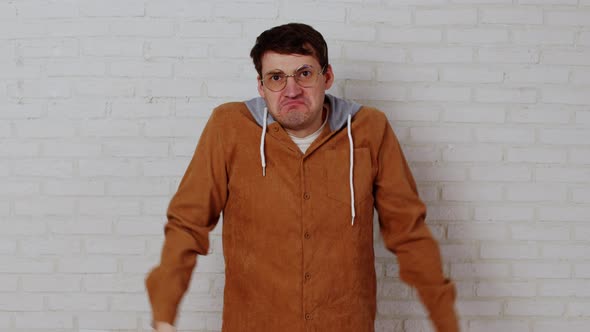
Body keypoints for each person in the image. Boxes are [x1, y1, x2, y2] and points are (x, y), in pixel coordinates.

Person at [146, 23, 458, 332]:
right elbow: (188, 223)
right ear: (261, 86)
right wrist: (164, 313)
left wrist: (444, 319)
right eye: (277, 78)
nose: (291, 90)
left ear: (328, 76)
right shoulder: (229, 127)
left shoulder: (370, 129)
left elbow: (408, 231)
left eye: (304, 73)